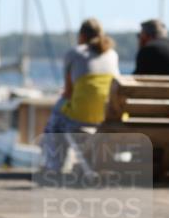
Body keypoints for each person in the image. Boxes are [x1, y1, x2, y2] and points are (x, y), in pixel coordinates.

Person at [41, 18, 119, 172]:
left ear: (82, 35)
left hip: (81, 117)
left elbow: (68, 92)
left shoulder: (75, 53)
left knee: (57, 114)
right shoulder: (112, 54)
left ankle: (55, 165)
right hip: (106, 115)